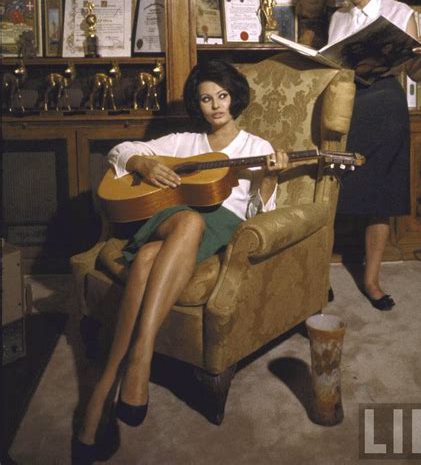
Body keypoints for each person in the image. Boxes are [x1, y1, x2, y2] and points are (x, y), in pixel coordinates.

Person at [73, 60, 288, 463]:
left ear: (234, 97)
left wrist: (271, 178)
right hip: (172, 217)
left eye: (222, 96)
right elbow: (120, 151)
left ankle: (101, 391)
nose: (216, 105)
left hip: (221, 224)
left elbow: (259, 212)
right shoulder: (184, 142)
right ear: (198, 104)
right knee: (186, 218)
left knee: (150, 257)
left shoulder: (256, 147)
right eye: (206, 98)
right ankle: (142, 356)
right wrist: (144, 164)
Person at [327, 0, 421, 311]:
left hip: (386, 105)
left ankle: (372, 281)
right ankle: (316, 275)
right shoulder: (338, 18)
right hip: (347, 106)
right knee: (333, 191)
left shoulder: (399, 12)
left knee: (381, 197)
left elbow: (417, 76)